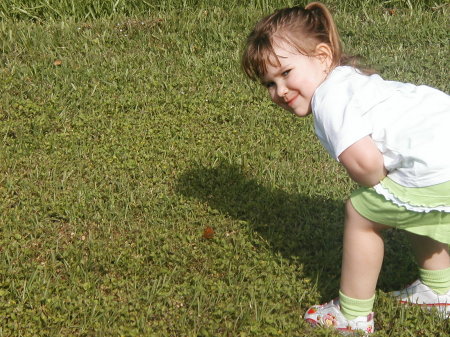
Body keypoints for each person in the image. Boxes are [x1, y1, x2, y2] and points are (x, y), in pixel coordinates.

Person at [241, 1, 450, 335]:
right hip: (442, 153)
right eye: (269, 83)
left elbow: (366, 166)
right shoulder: (347, 79)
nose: (279, 91)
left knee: (361, 214)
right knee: (408, 204)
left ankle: (352, 314)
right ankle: (439, 291)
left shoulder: (329, 99)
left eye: (286, 73)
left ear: (323, 56)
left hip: (436, 168)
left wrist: (378, 185)